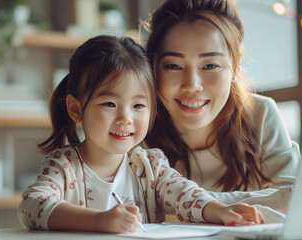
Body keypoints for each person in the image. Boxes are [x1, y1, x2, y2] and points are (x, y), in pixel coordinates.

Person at [18, 35, 262, 233]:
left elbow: (185, 195)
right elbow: (31, 206)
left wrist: (222, 211)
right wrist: (100, 221)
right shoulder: (64, 167)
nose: (126, 118)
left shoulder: (149, 166)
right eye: (110, 104)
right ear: (76, 109)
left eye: (138, 106)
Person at [144, 0, 300, 213]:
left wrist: (182, 203)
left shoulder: (259, 115)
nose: (192, 85)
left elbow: (294, 200)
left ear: (235, 66)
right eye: (174, 66)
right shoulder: (135, 126)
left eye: (210, 65)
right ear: (152, 69)